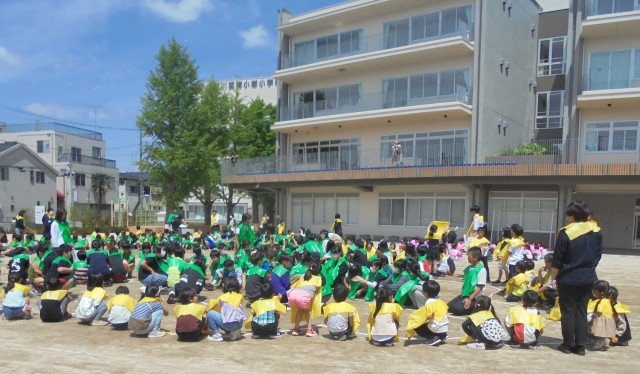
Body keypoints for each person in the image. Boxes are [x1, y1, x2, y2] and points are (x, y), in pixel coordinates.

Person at [549, 201, 602, 356]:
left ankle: (567, 345)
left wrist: (553, 277)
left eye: (568, 215)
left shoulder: (566, 233)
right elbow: (598, 255)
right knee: (581, 310)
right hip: (588, 277)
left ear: (572, 216)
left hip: (568, 278)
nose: (567, 218)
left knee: (568, 311)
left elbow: (558, 258)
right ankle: (580, 346)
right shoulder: (596, 232)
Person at [406, 280, 449, 346]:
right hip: (445, 327)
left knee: (418, 327)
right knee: (435, 323)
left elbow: (430, 316)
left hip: (436, 327)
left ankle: (433, 337)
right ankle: (442, 335)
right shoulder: (440, 301)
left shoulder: (429, 302)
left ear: (425, 293)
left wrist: (421, 319)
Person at [447, 247, 486, 316]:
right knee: (447, 308)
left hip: (474, 297)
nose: (467, 257)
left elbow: (480, 287)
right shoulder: (470, 268)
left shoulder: (481, 270)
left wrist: (470, 299)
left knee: (456, 310)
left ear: (475, 258)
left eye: (469, 256)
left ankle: (476, 306)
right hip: (465, 295)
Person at [288, 262, 323, 337]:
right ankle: (309, 330)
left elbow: (291, 283)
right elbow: (315, 293)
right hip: (304, 296)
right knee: (307, 311)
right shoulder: (318, 279)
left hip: (293, 294)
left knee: (300, 310)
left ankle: (296, 329)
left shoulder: (303, 276)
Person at [206, 277, 246, 342]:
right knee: (229, 315)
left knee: (211, 314)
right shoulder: (240, 296)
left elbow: (217, 309)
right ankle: (233, 332)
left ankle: (216, 335)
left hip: (229, 325)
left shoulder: (222, 297)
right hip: (239, 324)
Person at [586, 280, 616, 351]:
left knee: (601, 332)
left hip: (603, 318)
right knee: (603, 332)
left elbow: (599, 310)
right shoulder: (608, 300)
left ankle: (599, 344)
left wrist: (593, 314)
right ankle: (601, 342)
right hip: (608, 318)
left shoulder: (602, 301)